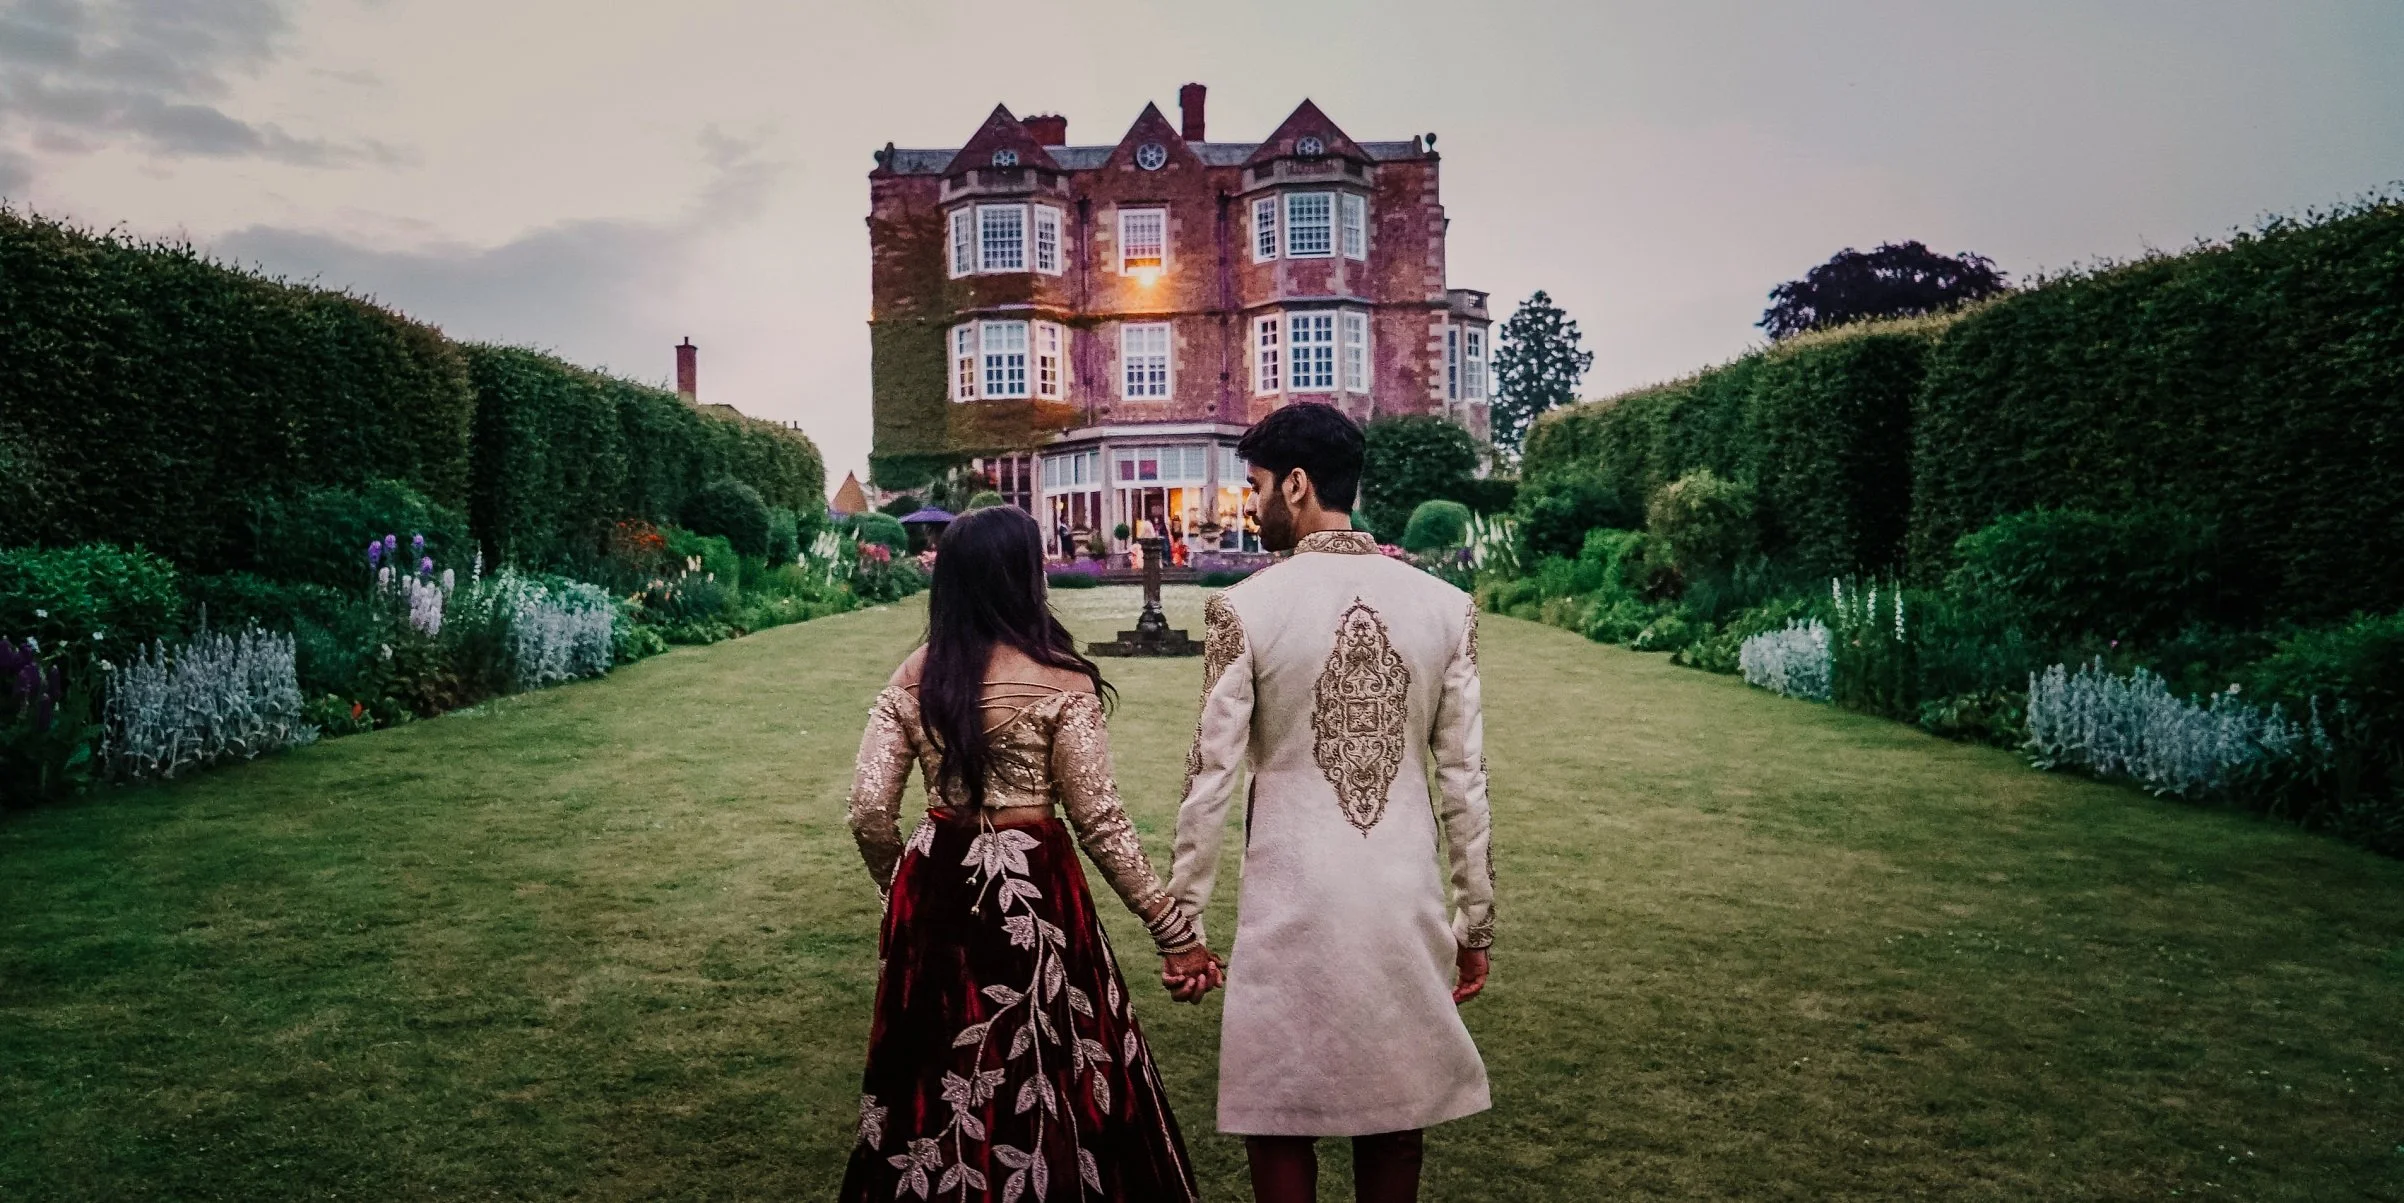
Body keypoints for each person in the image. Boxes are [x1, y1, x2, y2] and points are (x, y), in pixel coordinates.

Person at [1162, 402, 1495, 1203]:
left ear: (1298, 485)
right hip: (1402, 891)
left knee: (1282, 1114)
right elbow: (1463, 779)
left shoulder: (1244, 607)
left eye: (1258, 485)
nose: (1253, 503)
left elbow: (1211, 778)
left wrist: (1184, 923)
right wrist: (1474, 921)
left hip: (1291, 896)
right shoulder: (1445, 608)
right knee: (1397, 1104)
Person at [842, 505, 1209, 1202]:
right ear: (1024, 577)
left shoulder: (911, 676)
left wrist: (903, 885)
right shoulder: (1061, 678)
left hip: (937, 882)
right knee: (1044, 1054)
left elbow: (867, 811)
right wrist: (1174, 932)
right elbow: (1099, 820)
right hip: (1036, 892)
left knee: (931, 1060)